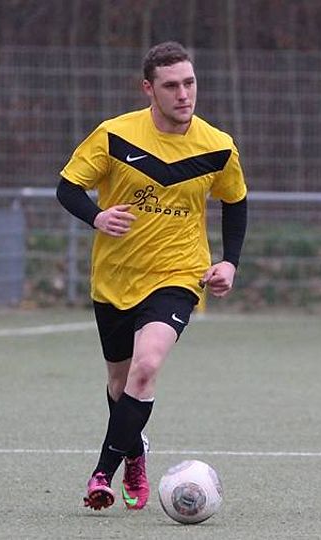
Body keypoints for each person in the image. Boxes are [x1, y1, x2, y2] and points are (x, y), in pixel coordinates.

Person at [56, 41, 248, 511]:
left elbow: (235, 201)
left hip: (178, 275)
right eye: (171, 85)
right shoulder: (114, 136)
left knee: (146, 367)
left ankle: (102, 473)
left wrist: (229, 261)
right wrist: (97, 217)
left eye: (190, 83)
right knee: (119, 383)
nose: (184, 94)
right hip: (115, 277)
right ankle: (135, 450)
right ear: (149, 89)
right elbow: (68, 188)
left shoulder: (217, 146)